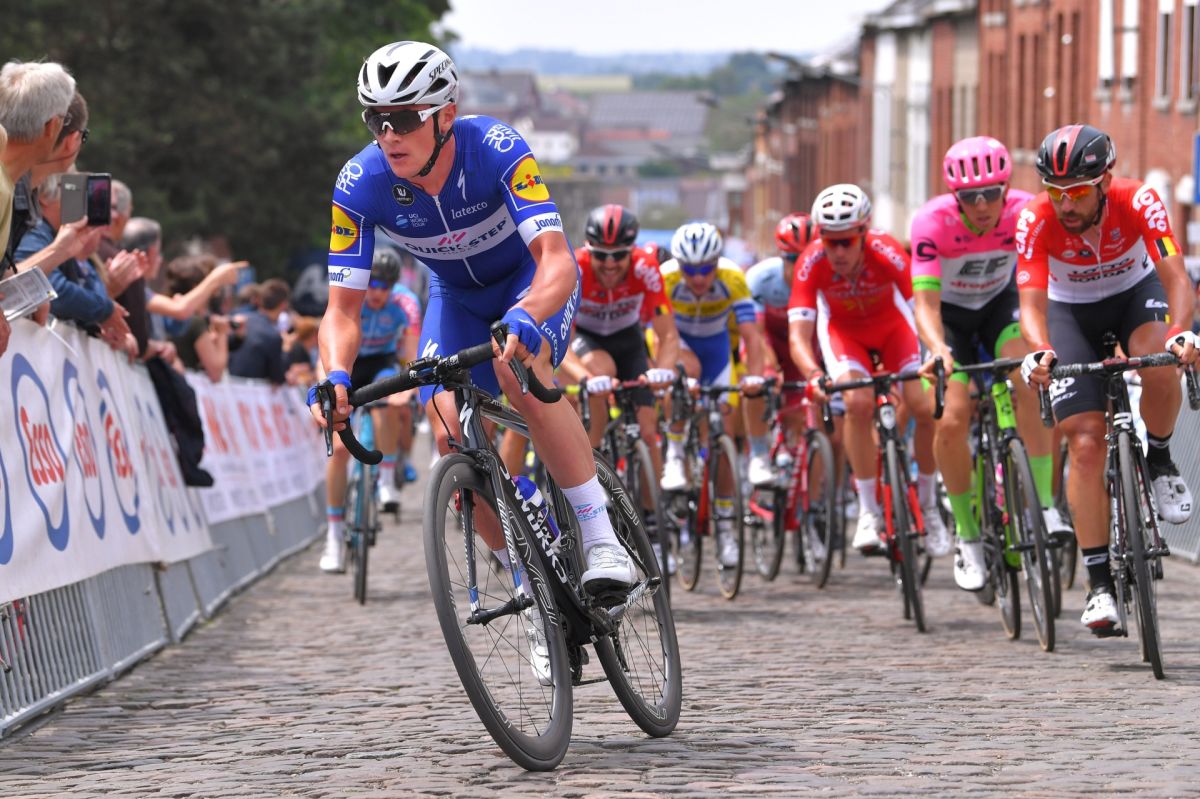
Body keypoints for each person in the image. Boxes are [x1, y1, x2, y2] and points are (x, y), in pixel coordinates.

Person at [310, 41, 635, 604]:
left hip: (527, 282)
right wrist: (335, 373)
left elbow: (556, 260)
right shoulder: (360, 182)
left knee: (520, 372)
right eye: (375, 119)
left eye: (404, 119)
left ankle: (601, 537)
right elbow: (341, 310)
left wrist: (527, 314)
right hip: (455, 298)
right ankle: (529, 582)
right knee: (446, 430)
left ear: (446, 116)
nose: (387, 134)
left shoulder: (494, 147)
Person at [1017, 124, 1198, 634]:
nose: (1065, 204)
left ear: (1104, 182)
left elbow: (1176, 277)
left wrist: (1182, 333)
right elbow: (1030, 304)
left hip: (1134, 293)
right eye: (1055, 191)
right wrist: (1040, 350)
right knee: (1084, 442)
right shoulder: (1034, 218)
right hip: (1069, 310)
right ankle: (1099, 585)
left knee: (1158, 360)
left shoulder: (1139, 199)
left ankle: (1158, 458)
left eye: (1077, 192)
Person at [911, 137, 1067, 591]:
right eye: (969, 196)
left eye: (990, 193)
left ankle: (1044, 505)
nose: (981, 205)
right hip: (950, 319)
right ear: (954, 196)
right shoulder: (931, 222)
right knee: (950, 417)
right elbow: (925, 304)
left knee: (1031, 377)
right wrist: (937, 348)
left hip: (1001, 308)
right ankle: (967, 535)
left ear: (1006, 188)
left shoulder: (1026, 210)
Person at [787, 184, 949, 556]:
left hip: (894, 331)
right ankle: (868, 511)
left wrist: (936, 349)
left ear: (863, 233)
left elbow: (921, 308)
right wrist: (813, 374)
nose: (838, 252)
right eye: (830, 242)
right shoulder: (810, 262)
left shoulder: (886, 250)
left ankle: (928, 505)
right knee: (857, 405)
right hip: (846, 336)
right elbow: (799, 335)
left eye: (847, 242)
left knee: (922, 407)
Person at [658, 221, 768, 566]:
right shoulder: (666, 278)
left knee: (724, 435)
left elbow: (752, 336)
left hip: (718, 350)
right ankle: (675, 451)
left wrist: (754, 377)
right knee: (684, 374)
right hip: (679, 343)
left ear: (717, 263)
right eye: (690, 270)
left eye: (706, 269)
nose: (698, 278)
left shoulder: (733, 278)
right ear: (679, 265)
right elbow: (657, 332)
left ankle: (724, 527)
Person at [557, 204, 680, 454]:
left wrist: (664, 370)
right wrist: (587, 379)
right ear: (588, 249)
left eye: (619, 255)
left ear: (632, 251)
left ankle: (652, 481)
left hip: (629, 340)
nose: (610, 264)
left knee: (648, 432)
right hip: (588, 339)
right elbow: (560, 343)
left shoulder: (645, 267)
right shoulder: (575, 268)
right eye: (601, 256)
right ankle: (593, 460)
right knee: (601, 371)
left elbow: (667, 333)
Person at [318, 251, 412, 572]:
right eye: (372, 284)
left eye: (384, 286)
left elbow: (410, 356)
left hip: (381, 365)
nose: (377, 292)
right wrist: (322, 386)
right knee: (339, 450)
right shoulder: (348, 299)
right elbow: (325, 349)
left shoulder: (404, 306)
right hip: (346, 365)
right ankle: (333, 536)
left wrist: (407, 391)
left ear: (393, 288)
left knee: (388, 401)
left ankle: (386, 480)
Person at [0, 61, 90, 277]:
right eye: (64, 120)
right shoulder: (3, 188)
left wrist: (60, 249)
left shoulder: (8, 182)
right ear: (52, 126)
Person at [228, 276, 288, 384]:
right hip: (251, 392)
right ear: (283, 305)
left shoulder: (234, 318)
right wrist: (287, 350)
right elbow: (277, 378)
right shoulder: (273, 336)